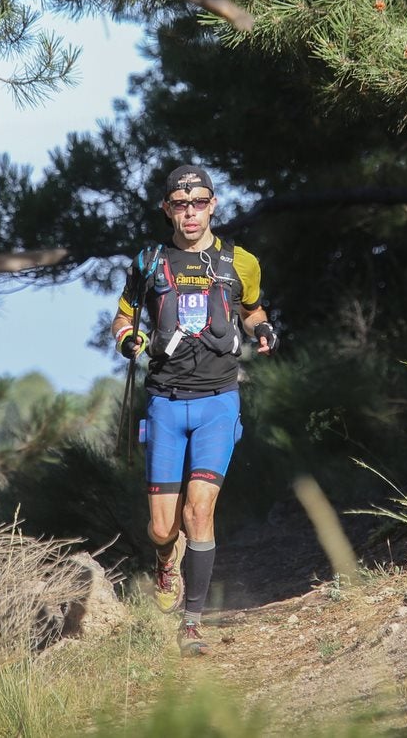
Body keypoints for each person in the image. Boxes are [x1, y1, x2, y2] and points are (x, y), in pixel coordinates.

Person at [111, 163, 277, 657]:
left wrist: (264, 330)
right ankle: (166, 561)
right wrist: (128, 339)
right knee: (163, 527)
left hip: (219, 402)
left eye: (199, 203)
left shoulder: (240, 261)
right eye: (180, 204)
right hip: (165, 403)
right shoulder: (147, 261)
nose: (190, 213)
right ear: (167, 208)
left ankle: (192, 624)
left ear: (213, 205)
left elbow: (252, 311)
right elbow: (123, 317)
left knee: (199, 510)